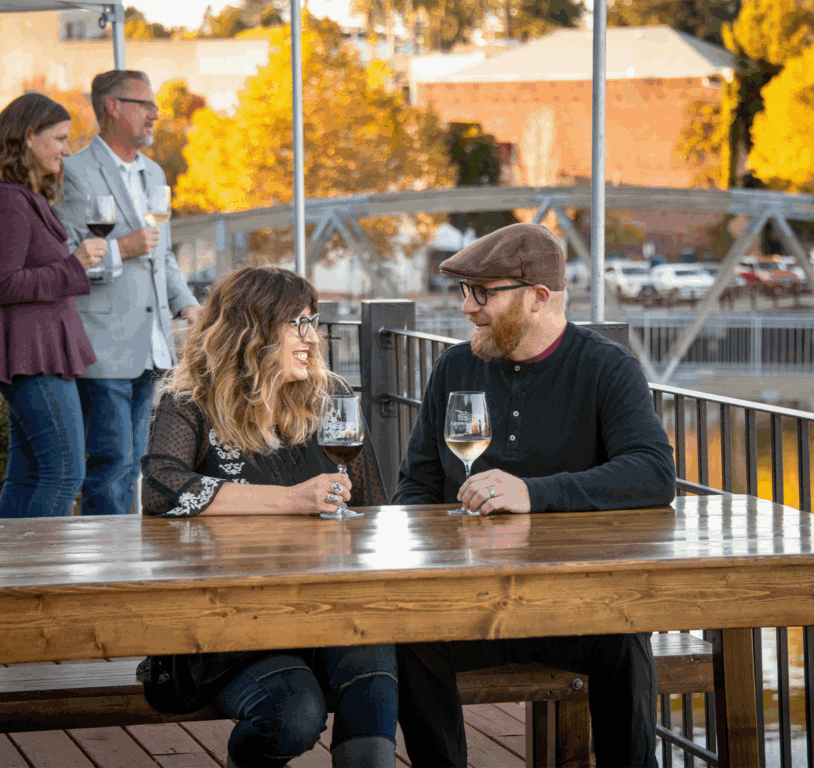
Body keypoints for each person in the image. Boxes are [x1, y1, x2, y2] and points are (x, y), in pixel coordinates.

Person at [392, 222, 676, 768]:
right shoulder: (454, 367)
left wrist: (532, 493)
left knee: (625, 636)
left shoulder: (606, 366)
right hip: (470, 605)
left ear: (538, 297)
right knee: (405, 638)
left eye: (483, 293)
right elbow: (417, 486)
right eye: (464, 291)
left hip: (573, 605)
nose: (467, 307)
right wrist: (429, 549)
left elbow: (653, 472)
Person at [140, 266, 396, 768]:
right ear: (251, 330)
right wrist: (291, 499)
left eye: (312, 323)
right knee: (292, 714)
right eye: (298, 324)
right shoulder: (189, 404)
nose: (312, 338)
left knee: (375, 667)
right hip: (230, 624)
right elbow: (162, 488)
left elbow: (373, 514)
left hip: (326, 609)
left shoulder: (329, 403)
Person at [0, 93, 108, 518]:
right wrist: (74, 265)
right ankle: (42, 560)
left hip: (35, 353)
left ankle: (13, 559)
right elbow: (1, 282)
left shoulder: (19, 196)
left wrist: (70, 267)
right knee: (65, 473)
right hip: (30, 357)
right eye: (59, 138)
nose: (67, 150)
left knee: (27, 475)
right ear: (27, 136)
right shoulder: (5, 200)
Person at [54, 69, 200, 516]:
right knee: (111, 464)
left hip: (153, 346)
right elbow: (68, 258)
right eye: (146, 105)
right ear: (113, 107)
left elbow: (162, 254)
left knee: (135, 463)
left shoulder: (154, 172)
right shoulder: (75, 172)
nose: (155, 115)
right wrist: (123, 248)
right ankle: (107, 555)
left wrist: (187, 304)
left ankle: (126, 550)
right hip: (103, 345)